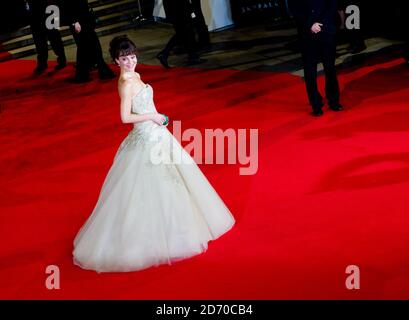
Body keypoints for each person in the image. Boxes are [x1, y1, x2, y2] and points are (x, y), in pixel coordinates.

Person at [73, 35, 235, 272]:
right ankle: (157, 234)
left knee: (175, 181)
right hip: (146, 137)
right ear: (116, 61)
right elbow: (125, 117)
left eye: (132, 56)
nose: (130, 62)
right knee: (154, 186)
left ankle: (179, 226)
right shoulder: (126, 83)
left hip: (157, 133)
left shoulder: (135, 75)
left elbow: (147, 103)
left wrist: (159, 119)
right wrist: (153, 117)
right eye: (125, 59)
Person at [289, 0, 343, 117]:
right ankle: (315, 104)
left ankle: (333, 100)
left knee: (330, 68)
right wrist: (310, 24)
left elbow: (333, 4)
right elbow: (294, 9)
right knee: (310, 70)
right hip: (307, 34)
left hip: (327, 29)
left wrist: (321, 23)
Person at [61, 0, 115, 82]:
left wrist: (74, 21)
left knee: (86, 47)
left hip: (83, 20)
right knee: (89, 46)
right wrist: (74, 21)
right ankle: (100, 72)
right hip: (82, 20)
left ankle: (85, 74)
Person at [156, 0, 206, 68]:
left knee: (184, 32)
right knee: (185, 31)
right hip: (180, 8)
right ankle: (165, 53)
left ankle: (192, 57)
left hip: (173, 8)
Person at [26, 0, 67, 75]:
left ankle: (61, 60)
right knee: (40, 40)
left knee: (54, 38)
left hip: (49, 9)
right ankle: (43, 63)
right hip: (36, 13)